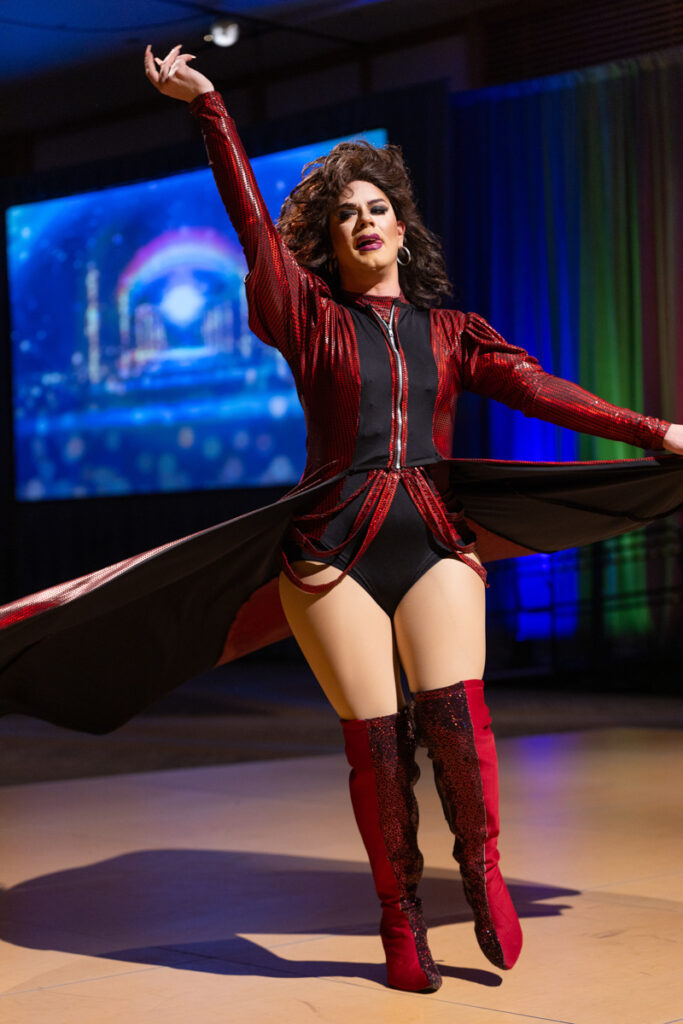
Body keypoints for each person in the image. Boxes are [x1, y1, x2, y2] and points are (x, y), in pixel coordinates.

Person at [137, 45, 683, 993]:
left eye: (375, 208)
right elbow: (252, 229)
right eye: (345, 214)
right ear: (332, 238)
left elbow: (543, 391)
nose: (362, 222)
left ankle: (480, 871)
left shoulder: (451, 331)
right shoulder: (301, 315)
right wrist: (212, 109)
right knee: (377, 745)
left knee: (459, 725)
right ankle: (400, 920)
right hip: (326, 553)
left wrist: (653, 428)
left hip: (432, 538)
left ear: (400, 226)